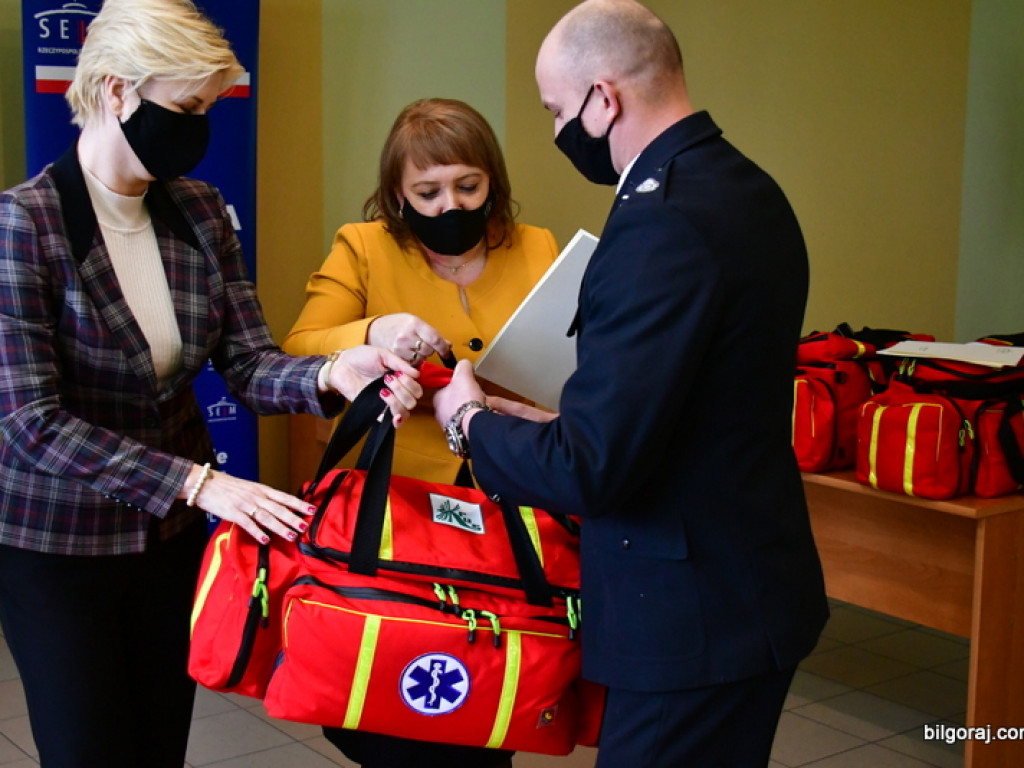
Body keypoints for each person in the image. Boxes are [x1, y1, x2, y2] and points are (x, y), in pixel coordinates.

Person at [0, 2, 421, 767]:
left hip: (170, 545)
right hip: (57, 548)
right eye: (187, 107)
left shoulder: (197, 212)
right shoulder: (24, 225)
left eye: (210, 106)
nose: (201, 128)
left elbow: (251, 363)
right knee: (89, 750)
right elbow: (29, 421)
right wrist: (198, 483)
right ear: (118, 90)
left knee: (161, 743)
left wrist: (337, 371)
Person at [434, 1, 830, 766]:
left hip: (691, 616)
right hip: (752, 576)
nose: (557, 133)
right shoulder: (745, 186)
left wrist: (470, 422)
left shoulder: (658, 223)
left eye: (557, 110)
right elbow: (689, 396)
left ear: (603, 98)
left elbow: (594, 466)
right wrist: (550, 419)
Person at [282, 97, 558, 767]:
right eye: (426, 192)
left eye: (469, 186)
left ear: (494, 180)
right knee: (394, 695)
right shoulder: (365, 246)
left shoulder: (536, 245)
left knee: (496, 684)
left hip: (511, 504)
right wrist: (375, 332)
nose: (448, 206)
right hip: (399, 514)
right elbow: (301, 347)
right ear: (395, 195)